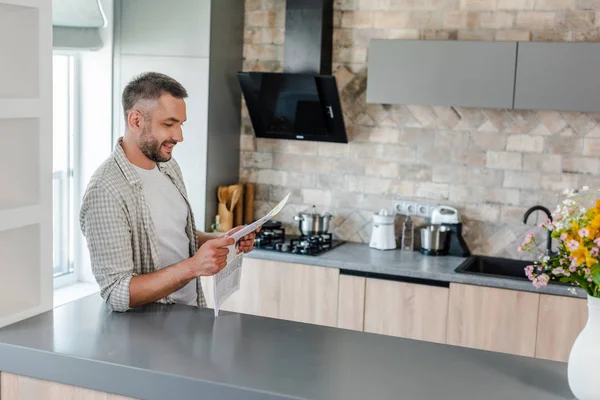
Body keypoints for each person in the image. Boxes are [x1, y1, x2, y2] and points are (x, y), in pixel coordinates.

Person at [79, 72, 257, 312]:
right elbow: (117, 292)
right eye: (169, 124)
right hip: (146, 335)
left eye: (180, 125)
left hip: (189, 316)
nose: (179, 136)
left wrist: (222, 240)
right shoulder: (106, 191)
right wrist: (194, 267)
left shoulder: (168, 166)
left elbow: (171, 235)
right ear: (136, 121)